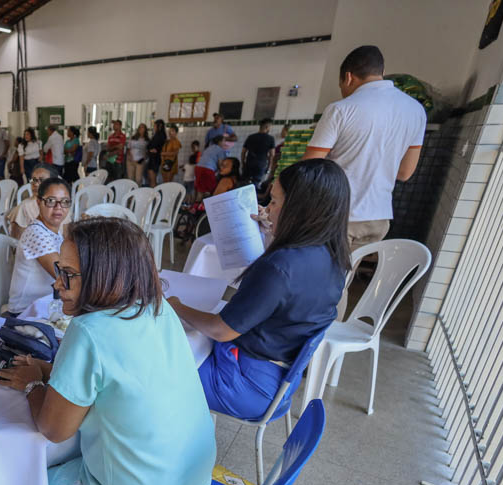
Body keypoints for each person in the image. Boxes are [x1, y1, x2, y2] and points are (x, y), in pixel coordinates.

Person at [0, 217, 216, 485]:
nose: (56, 283)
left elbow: (54, 429)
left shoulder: (90, 331)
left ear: (103, 275)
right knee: (66, 462)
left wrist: (33, 382)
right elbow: (123, 378)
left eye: (67, 275)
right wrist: (53, 372)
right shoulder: (155, 307)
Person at [170, 159, 351, 420]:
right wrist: (271, 238)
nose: (267, 210)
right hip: (280, 382)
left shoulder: (281, 267)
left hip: (247, 387)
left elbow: (221, 330)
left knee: (156, 365)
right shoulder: (332, 258)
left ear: (299, 210)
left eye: (275, 202)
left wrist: (177, 306)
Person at [302, 45, 426, 250]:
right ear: (381, 73)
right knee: (345, 276)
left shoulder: (341, 109)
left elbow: (310, 167)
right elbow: (405, 173)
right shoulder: (416, 110)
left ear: (348, 77)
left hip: (338, 214)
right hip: (379, 217)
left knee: (323, 278)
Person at [8, 176, 69, 314]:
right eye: (51, 201)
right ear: (38, 202)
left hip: (46, 306)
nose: (58, 207)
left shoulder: (54, 232)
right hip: (26, 313)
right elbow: (64, 277)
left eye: (65, 202)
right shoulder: (36, 233)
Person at [6, 163, 67, 238]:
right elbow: (18, 242)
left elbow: (67, 236)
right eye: (34, 180)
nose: (36, 184)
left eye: (41, 180)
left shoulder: (62, 205)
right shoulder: (25, 207)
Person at [242, 118, 276, 189]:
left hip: (249, 163)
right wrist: (269, 167)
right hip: (261, 164)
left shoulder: (251, 137)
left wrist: (243, 163)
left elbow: (243, 152)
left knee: (244, 183)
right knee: (255, 185)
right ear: (267, 127)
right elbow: (272, 155)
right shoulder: (270, 138)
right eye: (269, 127)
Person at [145, 119, 166, 187]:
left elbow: (152, 148)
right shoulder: (160, 135)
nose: (153, 127)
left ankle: (154, 196)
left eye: (154, 125)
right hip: (154, 159)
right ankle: (153, 195)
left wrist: (150, 150)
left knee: (152, 180)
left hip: (154, 159)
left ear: (159, 126)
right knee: (152, 179)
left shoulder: (159, 135)